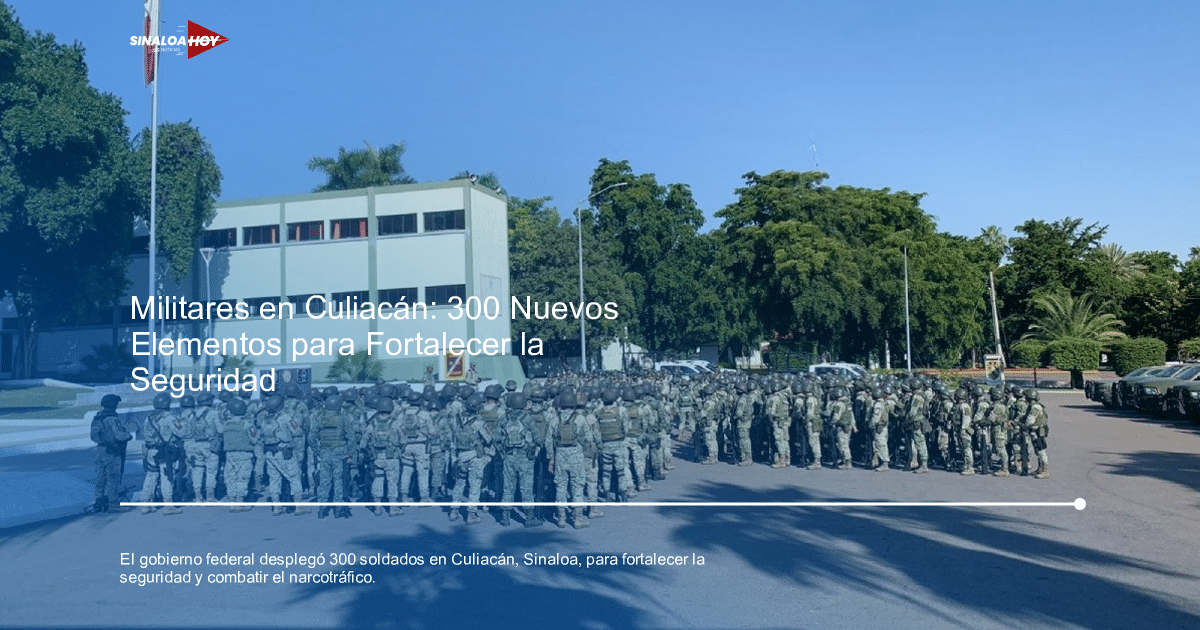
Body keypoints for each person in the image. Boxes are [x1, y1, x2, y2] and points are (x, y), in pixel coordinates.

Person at [89, 394, 133, 513]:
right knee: (113, 477)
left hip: (100, 450)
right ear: (114, 405)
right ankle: (113, 504)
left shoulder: (98, 417)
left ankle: (99, 499)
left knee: (101, 476)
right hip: (112, 452)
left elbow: (92, 436)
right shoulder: (112, 419)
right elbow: (119, 436)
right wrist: (129, 435)